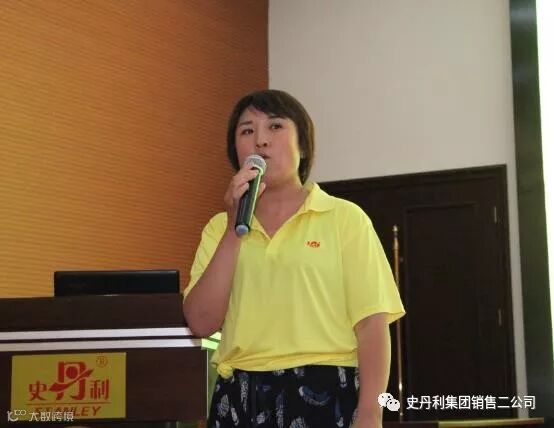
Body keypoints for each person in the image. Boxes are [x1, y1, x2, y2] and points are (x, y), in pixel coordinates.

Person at [183, 89, 405, 428]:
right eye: (247, 131)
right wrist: (233, 229)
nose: (260, 140)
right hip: (242, 393)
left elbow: (371, 325)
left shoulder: (344, 218)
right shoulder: (219, 228)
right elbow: (201, 323)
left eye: (275, 126)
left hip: (327, 388)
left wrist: (371, 413)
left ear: (303, 146)